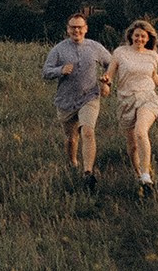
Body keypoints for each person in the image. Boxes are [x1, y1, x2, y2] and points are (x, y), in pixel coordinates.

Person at [104, 18, 158, 196]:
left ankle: (146, 177)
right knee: (132, 145)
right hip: (126, 100)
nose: (140, 39)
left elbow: (154, 76)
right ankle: (138, 173)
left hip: (148, 98)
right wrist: (106, 82)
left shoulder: (152, 55)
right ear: (131, 35)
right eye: (137, 35)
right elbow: (109, 75)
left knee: (141, 131)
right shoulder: (120, 52)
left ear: (148, 39)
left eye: (143, 37)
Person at [41, 13, 112, 187]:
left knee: (87, 131)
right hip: (65, 100)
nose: (76, 30)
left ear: (86, 29)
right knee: (71, 139)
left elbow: (111, 64)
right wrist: (60, 70)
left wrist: (106, 81)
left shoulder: (95, 47)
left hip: (89, 97)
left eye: (80, 27)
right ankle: (73, 162)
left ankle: (88, 173)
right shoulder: (59, 49)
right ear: (68, 29)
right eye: (73, 27)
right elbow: (46, 71)